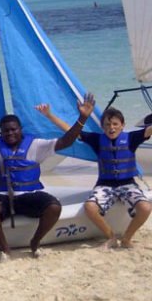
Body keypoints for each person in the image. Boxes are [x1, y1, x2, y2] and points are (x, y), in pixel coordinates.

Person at [0, 95, 94, 260]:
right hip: (4, 199)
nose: (10, 133)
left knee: (54, 207)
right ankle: (5, 248)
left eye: (14, 129)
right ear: (1, 132)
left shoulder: (36, 146)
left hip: (30, 196)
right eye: (6, 131)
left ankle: (35, 242)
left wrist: (82, 118)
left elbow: (65, 142)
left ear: (20, 129)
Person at [36, 96, 152, 248]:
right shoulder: (96, 139)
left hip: (128, 184)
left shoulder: (132, 138)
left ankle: (126, 239)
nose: (111, 128)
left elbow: (149, 129)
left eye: (115, 124)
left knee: (146, 208)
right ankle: (111, 237)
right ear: (103, 127)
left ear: (122, 125)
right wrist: (49, 115)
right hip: (105, 185)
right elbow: (69, 129)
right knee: (89, 207)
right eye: (107, 124)